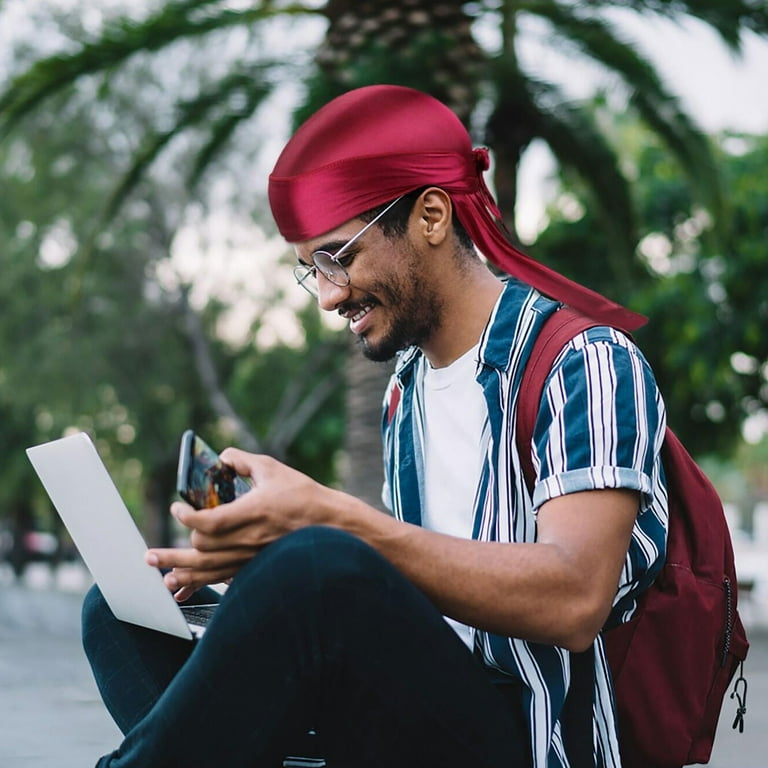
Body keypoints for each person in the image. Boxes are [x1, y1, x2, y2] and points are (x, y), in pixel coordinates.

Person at [82, 85, 668, 768]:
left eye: (338, 257)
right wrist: (260, 574)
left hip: (524, 741)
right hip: (399, 717)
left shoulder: (584, 363)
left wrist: (330, 528)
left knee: (320, 561)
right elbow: (414, 588)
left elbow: (575, 599)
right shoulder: (406, 393)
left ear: (429, 216)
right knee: (121, 612)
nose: (329, 295)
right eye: (312, 272)